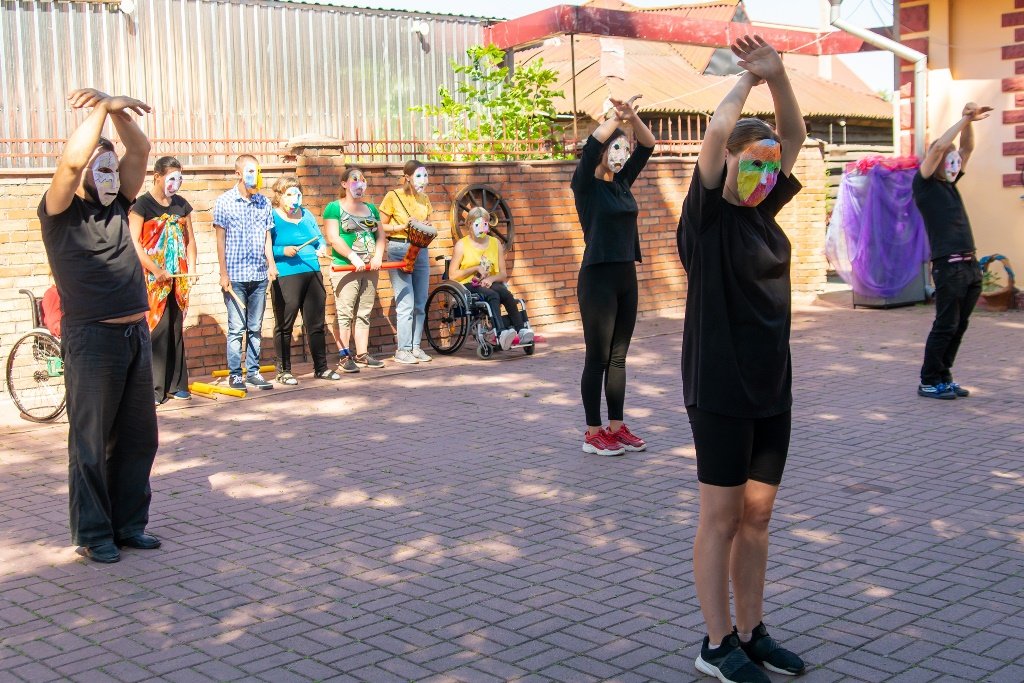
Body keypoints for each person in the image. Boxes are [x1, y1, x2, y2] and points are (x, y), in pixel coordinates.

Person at [677, 36, 807, 683]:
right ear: (726, 161)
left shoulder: (764, 208)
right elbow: (715, 129)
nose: (763, 177)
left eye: (770, 168)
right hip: (720, 387)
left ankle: (753, 633)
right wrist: (748, 80)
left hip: (772, 387)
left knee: (758, 515)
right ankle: (716, 641)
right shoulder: (707, 218)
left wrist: (779, 77)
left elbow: (795, 136)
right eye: (752, 164)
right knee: (722, 518)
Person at [38, 88, 160, 564]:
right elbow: (70, 164)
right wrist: (101, 111)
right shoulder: (59, 212)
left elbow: (141, 151)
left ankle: (129, 525)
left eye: (112, 169)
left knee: (138, 438)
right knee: (90, 442)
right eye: (101, 169)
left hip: (134, 335)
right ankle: (94, 533)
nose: (110, 178)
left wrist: (118, 111)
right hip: (91, 339)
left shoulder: (118, 205)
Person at [569, 94, 655, 457]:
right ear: (603, 152)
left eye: (623, 149)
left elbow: (648, 145)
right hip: (597, 279)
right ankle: (593, 433)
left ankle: (616, 428)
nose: (621, 155)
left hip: (625, 276)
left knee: (619, 357)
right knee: (598, 358)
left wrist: (632, 117)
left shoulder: (622, 183)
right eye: (615, 148)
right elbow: (591, 145)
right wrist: (615, 118)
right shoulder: (585, 186)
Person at [913, 102, 992, 400]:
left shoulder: (951, 183)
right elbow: (938, 148)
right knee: (945, 325)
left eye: (955, 161)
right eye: (950, 159)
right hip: (949, 267)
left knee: (959, 326)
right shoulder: (924, 184)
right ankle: (928, 380)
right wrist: (963, 119)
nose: (955, 164)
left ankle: (944, 377)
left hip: (970, 265)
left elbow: (967, 148)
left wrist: (969, 122)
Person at [128, 156, 198, 404]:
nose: (175, 184)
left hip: (178, 278)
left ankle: (177, 384)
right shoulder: (142, 205)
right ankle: (154, 388)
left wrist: (192, 268)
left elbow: (190, 240)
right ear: (157, 177)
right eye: (171, 178)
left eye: (179, 178)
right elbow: (134, 243)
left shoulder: (182, 205)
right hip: (152, 279)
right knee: (157, 328)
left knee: (176, 327)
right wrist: (156, 269)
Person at [213, 154, 278, 392]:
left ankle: (253, 372)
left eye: (257, 171)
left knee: (255, 327)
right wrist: (223, 273)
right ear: (238, 174)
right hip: (235, 277)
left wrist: (271, 264)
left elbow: (267, 236)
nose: (255, 175)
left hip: (258, 275)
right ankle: (235, 374)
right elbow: (220, 240)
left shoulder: (264, 202)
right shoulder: (224, 202)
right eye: (250, 171)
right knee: (236, 329)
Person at [268, 176, 339, 384]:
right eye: (289, 194)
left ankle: (321, 368)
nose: (294, 199)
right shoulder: (271, 216)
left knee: (316, 324)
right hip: (286, 274)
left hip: (312, 272)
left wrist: (321, 247)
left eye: (297, 194)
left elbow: (319, 239)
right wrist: (282, 250)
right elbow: (265, 246)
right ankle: (284, 371)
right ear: (279, 196)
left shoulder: (306, 214)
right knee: (285, 325)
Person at [323, 166, 386, 373]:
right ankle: (344, 356)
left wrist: (378, 256)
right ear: (344, 184)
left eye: (363, 180)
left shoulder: (371, 208)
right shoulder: (334, 207)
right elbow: (333, 237)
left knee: (364, 312)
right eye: (354, 179)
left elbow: (380, 235)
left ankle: (362, 353)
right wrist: (352, 256)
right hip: (345, 268)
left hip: (370, 268)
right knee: (345, 312)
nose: (360, 184)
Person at [449, 207, 533, 350]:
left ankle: (522, 330)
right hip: (468, 284)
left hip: (489, 282)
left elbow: (503, 274)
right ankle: (500, 333)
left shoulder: (495, 243)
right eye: (478, 224)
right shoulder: (462, 245)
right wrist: (475, 268)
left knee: (506, 294)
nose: (482, 227)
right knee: (493, 295)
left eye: (485, 223)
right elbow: (452, 275)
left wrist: (491, 279)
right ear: (469, 224)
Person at [379, 160, 433, 364]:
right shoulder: (393, 196)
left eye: (425, 175)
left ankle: (416, 346)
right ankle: (403, 349)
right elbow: (380, 226)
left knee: (420, 302)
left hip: (420, 249)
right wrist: (402, 226)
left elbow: (428, 223)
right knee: (406, 303)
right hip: (399, 248)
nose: (423, 180)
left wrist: (425, 225)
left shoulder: (425, 198)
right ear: (407, 177)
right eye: (419, 175)